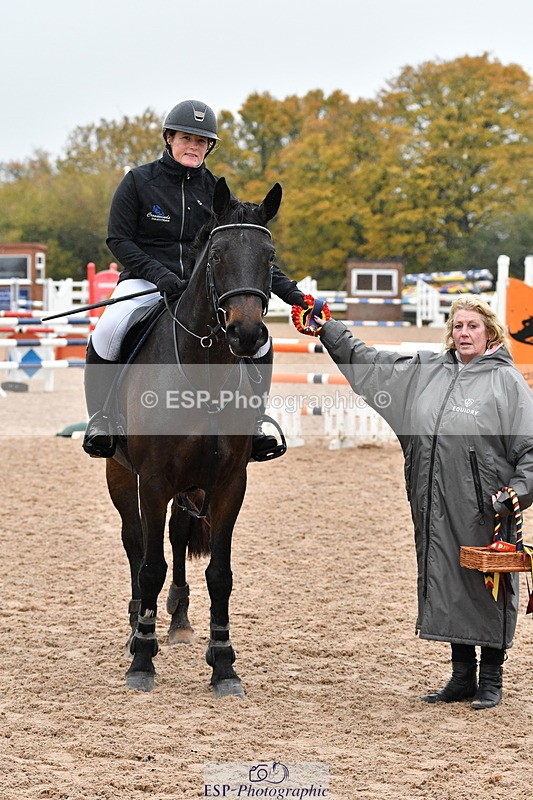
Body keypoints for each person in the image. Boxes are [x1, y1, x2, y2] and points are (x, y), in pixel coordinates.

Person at [305, 296, 533, 709]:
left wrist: (517, 491)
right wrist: (327, 329)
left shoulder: (506, 382)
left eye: (473, 326)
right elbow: (372, 363)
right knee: (447, 581)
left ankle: (491, 679)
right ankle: (461, 676)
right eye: (458, 326)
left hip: (487, 508)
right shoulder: (428, 371)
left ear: (490, 332)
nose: (464, 333)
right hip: (434, 502)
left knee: (488, 587)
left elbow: (530, 448)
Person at [83, 99, 308, 459]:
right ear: (169, 138)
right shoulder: (139, 182)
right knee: (108, 330)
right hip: (145, 282)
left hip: (203, 288)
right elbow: (119, 240)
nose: (193, 146)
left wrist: (296, 295)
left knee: (260, 342)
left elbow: (245, 252)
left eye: (201, 141)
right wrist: (159, 274)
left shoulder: (218, 193)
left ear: (209, 147)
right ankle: (101, 419)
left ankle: (255, 423)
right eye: (186, 138)